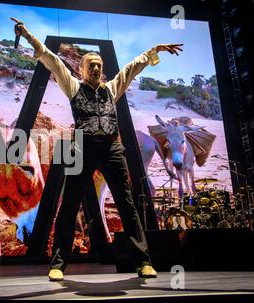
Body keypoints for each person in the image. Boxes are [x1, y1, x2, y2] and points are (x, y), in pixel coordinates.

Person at [12, 17, 183, 281]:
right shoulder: (73, 87)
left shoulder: (111, 88)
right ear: (81, 69)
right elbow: (50, 59)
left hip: (112, 149)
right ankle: (58, 264)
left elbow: (131, 68)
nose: (95, 68)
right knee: (69, 204)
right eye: (91, 65)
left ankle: (143, 261)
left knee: (126, 203)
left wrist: (154, 51)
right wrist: (28, 36)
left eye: (99, 65)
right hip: (83, 147)